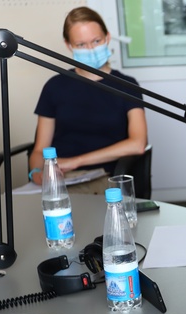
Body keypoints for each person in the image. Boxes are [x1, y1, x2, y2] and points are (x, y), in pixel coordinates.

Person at [28, 6, 148, 195]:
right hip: (60, 178)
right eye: (81, 45)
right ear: (69, 45)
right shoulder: (54, 86)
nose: (91, 49)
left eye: (96, 41)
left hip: (105, 178)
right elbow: (39, 150)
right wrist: (37, 173)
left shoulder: (127, 86)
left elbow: (138, 143)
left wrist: (75, 162)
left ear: (107, 38)